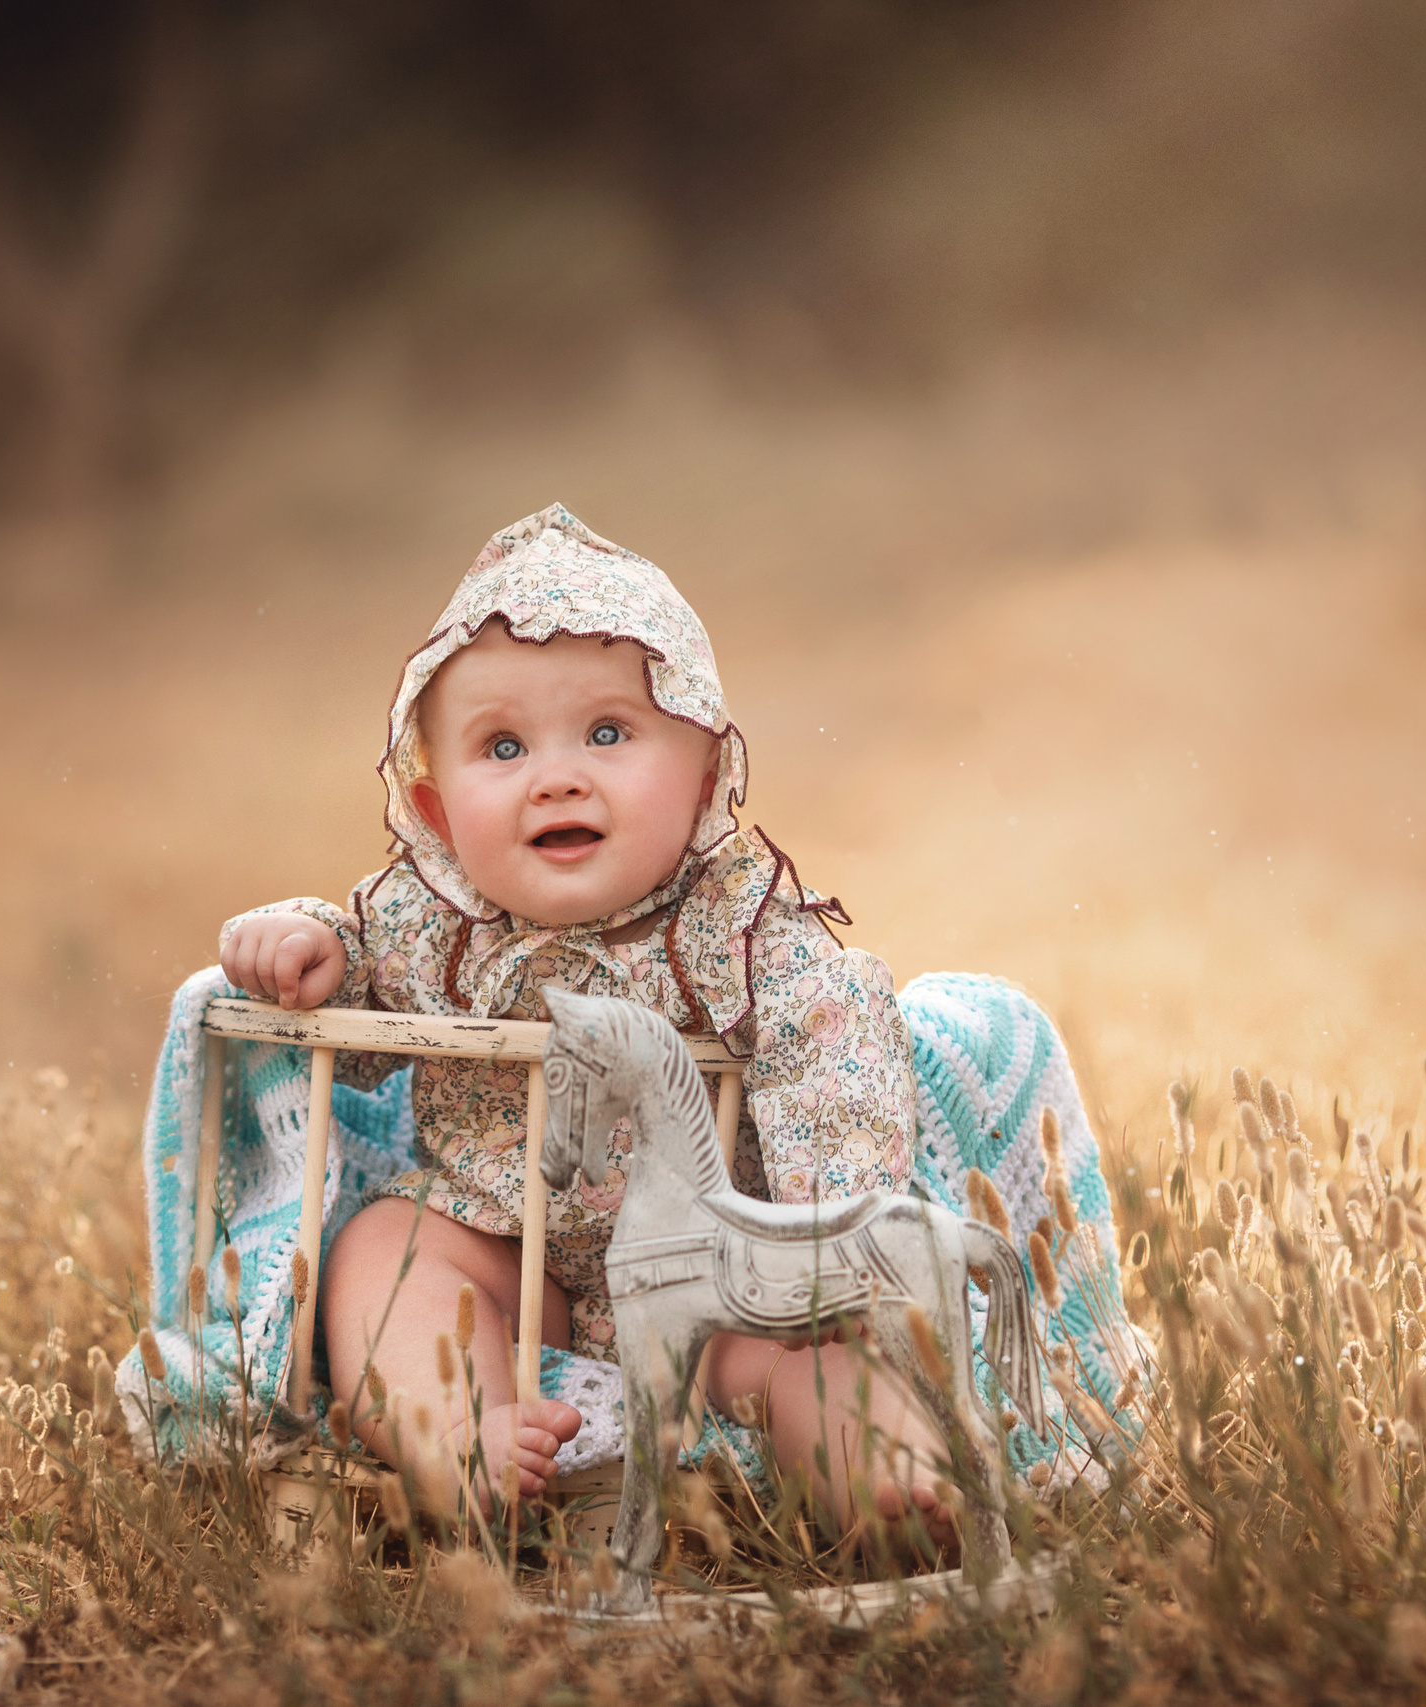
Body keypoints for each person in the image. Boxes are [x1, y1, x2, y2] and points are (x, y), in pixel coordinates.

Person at [219, 503, 965, 1533]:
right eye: (503, 746)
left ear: (703, 778)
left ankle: (890, 1478)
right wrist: (307, 949)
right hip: (500, 1246)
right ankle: (457, 1434)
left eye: (608, 733)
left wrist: (826, 1229)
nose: (557, 776)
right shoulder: (427, 917)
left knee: (810, 1352)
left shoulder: (739, 917)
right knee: (387, 1251)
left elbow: (833, 1030)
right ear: (438, 816)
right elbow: (350, 989)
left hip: (710, 1263)